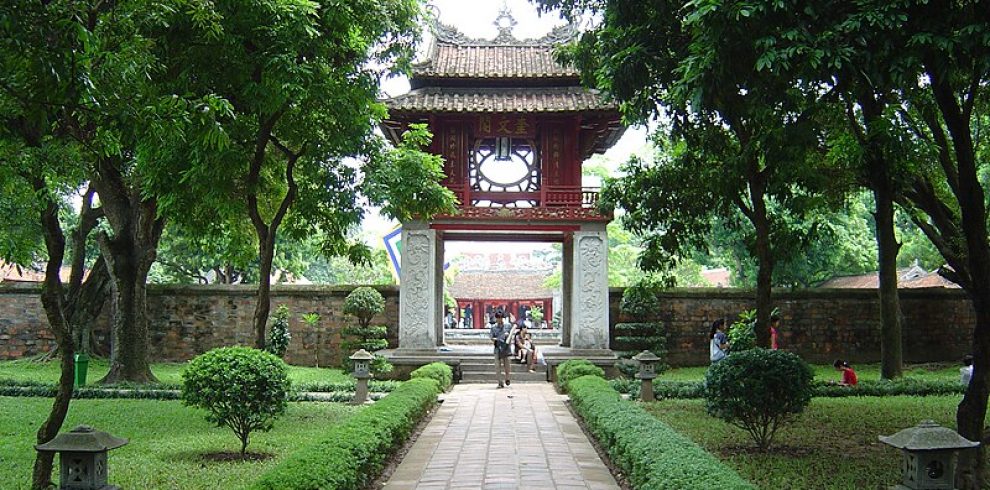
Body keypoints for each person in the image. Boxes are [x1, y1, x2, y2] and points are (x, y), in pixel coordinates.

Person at [490, 310, 516, 388]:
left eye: (501, 318)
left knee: (507, 364)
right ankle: (500, 381)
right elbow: (491, 337)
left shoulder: (507, 325)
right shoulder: (493, 327)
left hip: (506, 347)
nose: (499, 320)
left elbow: (512, 332)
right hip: (497, 347)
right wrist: (497, 339)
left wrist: (508, 336)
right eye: (498, 318)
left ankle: (507, 378)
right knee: (497, 365)